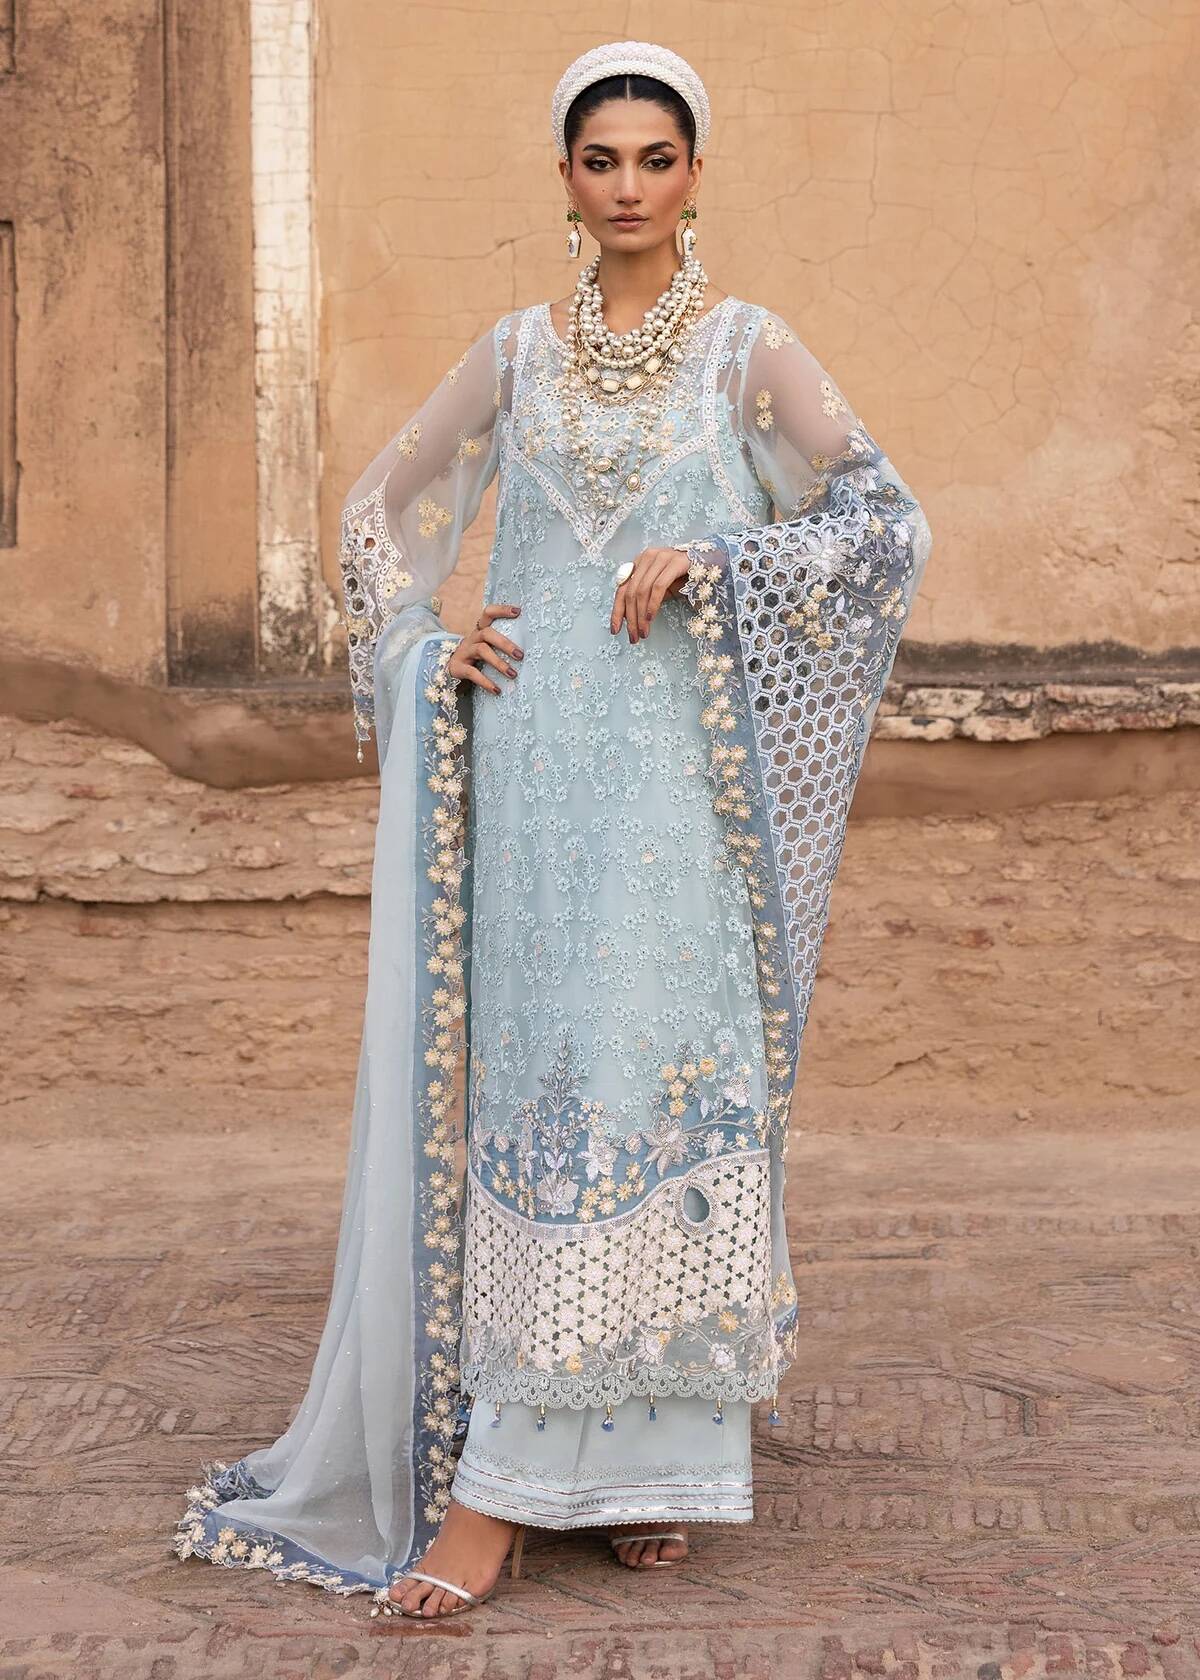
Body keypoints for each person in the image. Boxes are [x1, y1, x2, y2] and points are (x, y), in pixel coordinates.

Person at [172, 39, 932, 1619]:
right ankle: (500, 1494)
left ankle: (659, 1468)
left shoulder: (745, 355)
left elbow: (883, 521)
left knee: (660, 1087)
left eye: (658, 158)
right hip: (532, 786)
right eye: (603, 161)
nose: (630, 187)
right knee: (548, 1098)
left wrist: (721, 555)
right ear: (567, 179)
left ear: (695, 175)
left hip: (679, 797)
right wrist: (424, 642)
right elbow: (374, 516)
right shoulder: (517, 356)